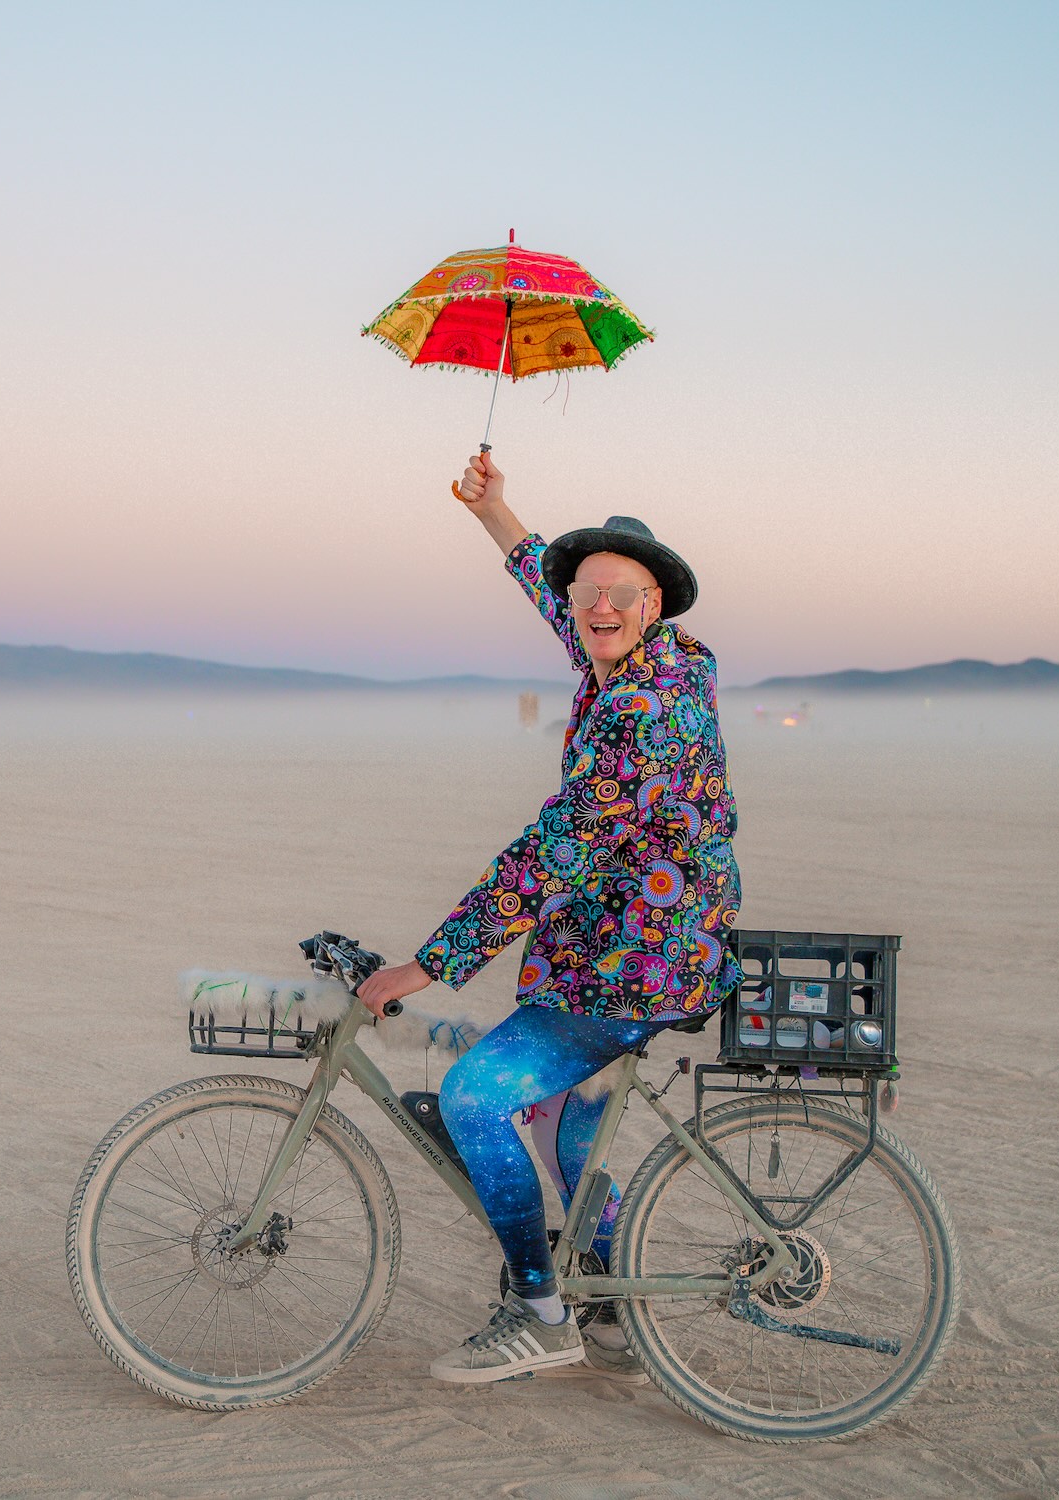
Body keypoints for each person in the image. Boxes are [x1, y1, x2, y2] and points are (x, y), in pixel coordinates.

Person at [359, 451, 742, 1385]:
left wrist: (426, 966)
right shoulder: (632, 659)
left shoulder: (648, 709)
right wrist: (494, 512)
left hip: (634, 963)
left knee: (478, 1096)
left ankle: (541, 1313)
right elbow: (551, 586)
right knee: (567, 1126)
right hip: (621, 950)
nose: (595, 605)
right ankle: (610, 1307)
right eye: (586, 591)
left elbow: (553, 854)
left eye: (620, 590)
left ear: (657, 605)